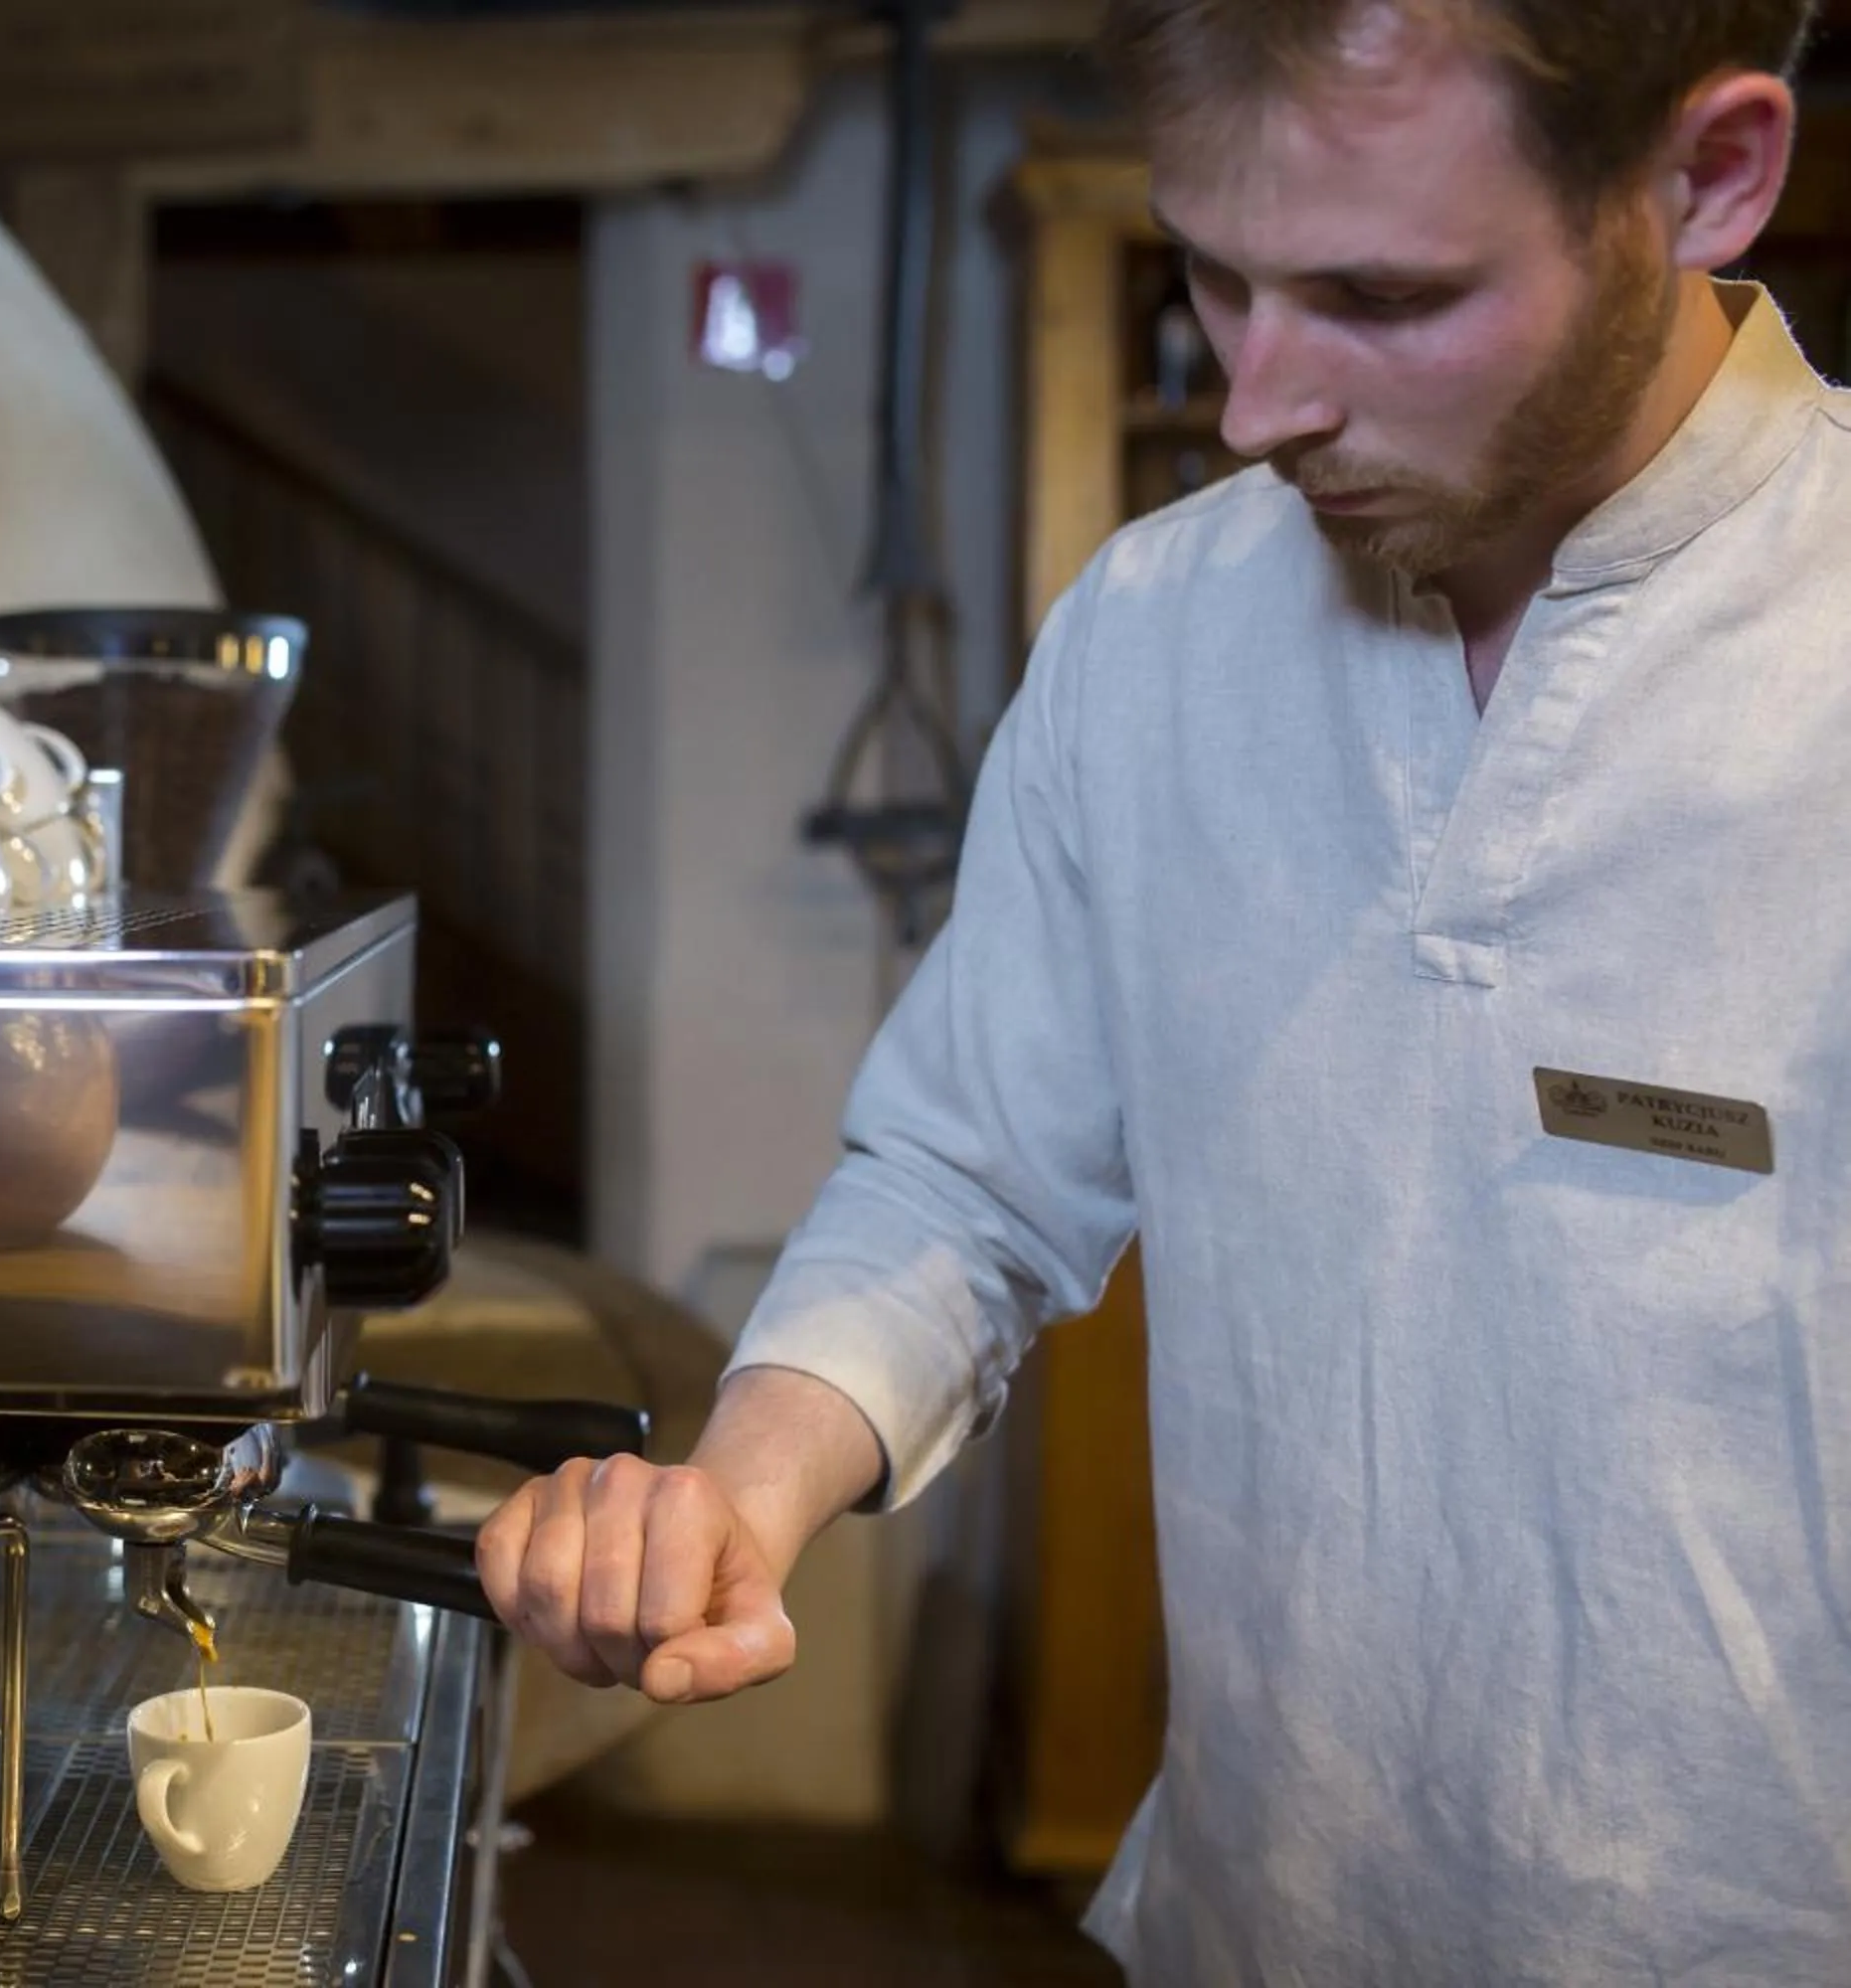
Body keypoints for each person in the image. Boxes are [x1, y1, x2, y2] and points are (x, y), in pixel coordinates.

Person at [478, 1, 1847, 1978]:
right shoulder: (1154, 629)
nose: (1254, 408)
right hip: (1253, 1924)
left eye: (1382, 295)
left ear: (1707, 178)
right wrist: (740, 1493)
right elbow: (965, 1177)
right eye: (1216, 274)